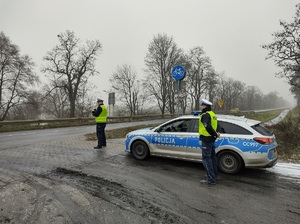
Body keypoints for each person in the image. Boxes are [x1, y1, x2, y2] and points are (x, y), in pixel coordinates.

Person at [199, 99, 220, 186]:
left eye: (202, 105)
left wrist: (215, 134)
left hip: (206, 139)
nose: (200, 107)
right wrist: (216, 134)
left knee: (206, 159)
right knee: (212, 157)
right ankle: (214, 175)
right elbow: (217, 125)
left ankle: (210, 179)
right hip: (211, 139)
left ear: (205, 106)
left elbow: (207, 126)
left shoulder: (205, 115)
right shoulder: (212, 114)